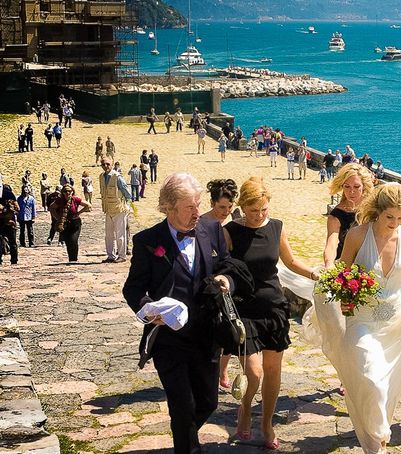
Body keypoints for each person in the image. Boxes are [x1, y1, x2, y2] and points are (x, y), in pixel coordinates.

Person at [122, 172, 249, 454]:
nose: (197, 212)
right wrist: (148, 310)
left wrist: (227, 280)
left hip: (206, 336)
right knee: (182, 406)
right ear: (169, 206)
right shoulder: (147, 240)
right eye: (190, 207)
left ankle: (185, 436)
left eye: (198, 204)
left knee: (207, 403)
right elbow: (133, 288)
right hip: (168, 338)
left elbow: (228, 266)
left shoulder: (211, 229)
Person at [317, 183, 401, 454]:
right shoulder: (357, 235)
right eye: (390, 216)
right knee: (371, 378)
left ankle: (374, 446)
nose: (395, 223)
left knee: (387, 385)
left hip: (398, 321)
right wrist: (343, 295)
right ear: (378, 211)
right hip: (362, 320)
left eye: (400, 218)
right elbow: (340, 273)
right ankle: (377, 433)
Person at [223, 177, 317, 449]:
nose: (259, 215)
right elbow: (220, 265)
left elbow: (290, 261)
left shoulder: (276, 227)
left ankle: (266, 422)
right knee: (254, 373)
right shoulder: (231, 231)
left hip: (274, 308)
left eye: (264, 209)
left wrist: (315, 274)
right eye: (254, 211)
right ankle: (245, 408)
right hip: (245, 311)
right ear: (243, 207)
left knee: (274, 371)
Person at [323, 163, 374, 269]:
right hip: (347, 266)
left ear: (364, 186)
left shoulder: (374, 209)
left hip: (372, 263)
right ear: (342, 186)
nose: (351, 191)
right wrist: (329, 264)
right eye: (347, 186)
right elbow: (331, 245)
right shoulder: (336, 215)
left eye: (356, 186)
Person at [98, 157, 132, 263]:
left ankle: (122, 256)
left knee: (120, 234)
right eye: (103, 164)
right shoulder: (101, 177)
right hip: (108, 209)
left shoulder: (117, 177)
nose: (105, 166)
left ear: (111, 164)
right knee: (108, 235)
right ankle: (110, 255)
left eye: (108, 164)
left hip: (119, 209)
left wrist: (128, 206)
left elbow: (127, 193)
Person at [50, 184, 91, 262]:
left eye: (69, 191)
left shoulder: (75, 199)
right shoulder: (59, 200)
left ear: (72, 192)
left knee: (73, 240)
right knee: (68, 241)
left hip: (75, 222)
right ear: (62, 192)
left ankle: (74, 259)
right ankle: (71, 259)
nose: (67, 193)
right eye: (65, 191)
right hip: (65, 223)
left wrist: (78, 213)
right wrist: (58, 218)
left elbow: (88, 205)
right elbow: (51, 208)